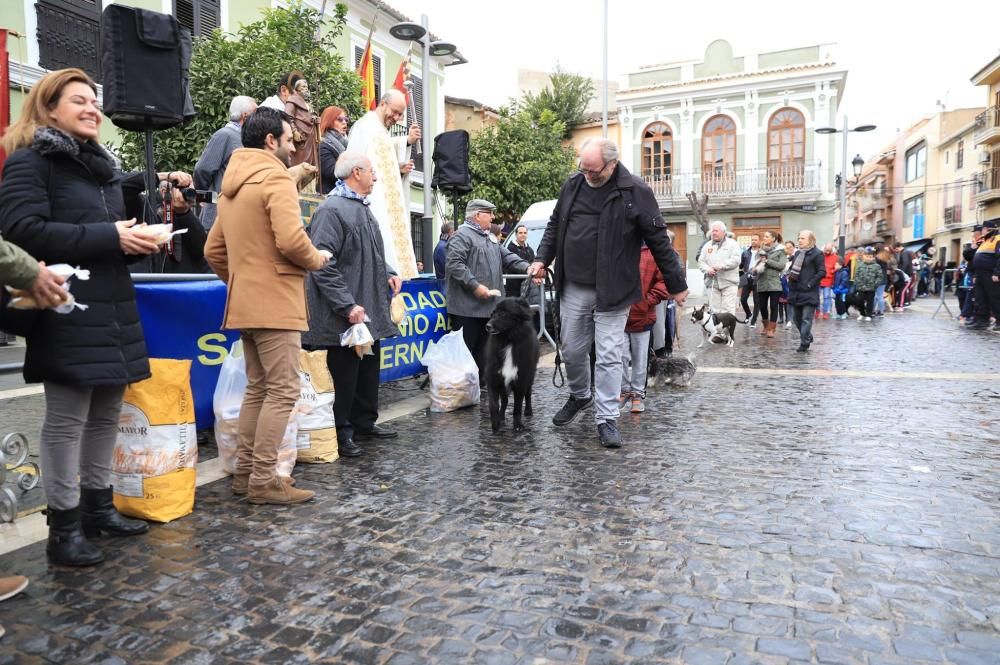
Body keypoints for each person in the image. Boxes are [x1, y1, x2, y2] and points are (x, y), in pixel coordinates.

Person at [0, 68, 162, 566]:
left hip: (112, 305)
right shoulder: (31, 162)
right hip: (64, 305)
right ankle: (63, 527)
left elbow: (104, 238)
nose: (92, 108)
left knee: (106, 414)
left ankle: (99, 507)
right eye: (78, 101)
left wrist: (135, 242)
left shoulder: (102, 170)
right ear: (49, 109)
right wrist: (111, 236)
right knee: (67, 420)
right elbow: (20, 230)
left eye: (95, 101)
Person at [204, 106, 330, 505]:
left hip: (245, 302)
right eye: (291, 141)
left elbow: (213, 250)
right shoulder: (274, 178)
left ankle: (245, 474)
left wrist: (242, 281)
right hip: (277, 301)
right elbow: (292, 241)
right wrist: (316, 259)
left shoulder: (232, 186)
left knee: (258, 389)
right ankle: (262, 480)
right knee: (282, 391)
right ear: (270, 141)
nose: (295, 149)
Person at [528, 138, 688, 449]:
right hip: (574, 285)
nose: (586, 175)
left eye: (592, 171)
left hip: (614, 290)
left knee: (610, 354)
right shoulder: (573, 185)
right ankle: (580, 395)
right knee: (572, 351)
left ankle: (607, 418)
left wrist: (677, 285)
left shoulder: (635, 192)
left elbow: (659, 241)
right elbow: (554, 225)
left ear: (611, 165)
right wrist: (540, 259)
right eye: (582, 169)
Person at [303, 151, 400, 458]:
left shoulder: (361, 208)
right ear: (356, 172)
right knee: (344, 376)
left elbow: (371, 255)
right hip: (343, 318)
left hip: (366, 311)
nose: (376, 176)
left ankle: (364, 423)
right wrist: (347, 306)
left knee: (367, 370)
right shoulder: (331, 210)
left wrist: (389, 273)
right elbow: (322, 264)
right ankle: (341, 431)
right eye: (372, 170)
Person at [446, 199, 532, 379]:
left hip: (488, 310)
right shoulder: (461, 236)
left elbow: (508, 257)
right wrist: (475, 285)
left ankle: (480, 391)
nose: (493, 217)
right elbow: (455, 265)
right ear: (477, 215)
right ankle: (460, 393)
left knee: (484, 356)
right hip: (467, 311)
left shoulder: (490, 237)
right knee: (464, 356)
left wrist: (528, 268)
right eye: (489, 213)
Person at [347, 89, 421, 280]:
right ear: (382, 104)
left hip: (389, 207)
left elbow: (382, 164)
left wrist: (405, 145)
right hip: (373, 204)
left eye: (400, 115)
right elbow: (352, 164)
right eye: (394, 112)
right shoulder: (364, 127)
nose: (396, 118)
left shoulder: (381, 131)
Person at [123, 170, 209, 274]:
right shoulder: (144, 206)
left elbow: (201, 250)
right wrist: (165, 176)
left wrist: (184, 214)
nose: (188, 196)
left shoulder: (187, 215)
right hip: (146, 281)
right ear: (164, 191)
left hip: (178, 284)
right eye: (182, 190)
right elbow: (122, 186)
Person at [193, 95, 256, 229]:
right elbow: (202, 169)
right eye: (255, 113)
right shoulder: (224, 135)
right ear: (245, 116)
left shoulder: (242, 137)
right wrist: (204, 197)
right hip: (217, 217)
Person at [620, 242, 667, 413]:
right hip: (618, 314)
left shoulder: (653, 251)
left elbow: (663, 281)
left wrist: (647, 301)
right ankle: (623, 390)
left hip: (643, 315)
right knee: (620, 356)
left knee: (640, 359)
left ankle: (637, 394)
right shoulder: (618, 246)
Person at [787, 230, 826, 352]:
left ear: (811, 240)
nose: (799, 240)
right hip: (796, 291)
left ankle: (804, 343)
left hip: (809, 291)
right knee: (796, 319)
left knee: (806, 319)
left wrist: (810, 284)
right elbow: (793, 269)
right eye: (799, 238)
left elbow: (822, 272)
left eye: (802, 238)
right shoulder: (798, 253)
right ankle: (808, 336)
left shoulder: (817, 254)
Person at [697, 220, 741, 315]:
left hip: (729, 282)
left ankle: (727, 330)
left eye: (716, 231)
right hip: (712, 282)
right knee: (714, 310)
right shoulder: (707, 246)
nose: (713, 233)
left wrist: (722, 266)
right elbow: (701, 262)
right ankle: (716, 330)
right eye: (712, 231)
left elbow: (736, 260)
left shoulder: (733, 244)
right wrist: (708, 270)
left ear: (723, 232)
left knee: (728, 310)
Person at [751, 230, 787, 337]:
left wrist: (767, 261)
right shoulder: (760, 250)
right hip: (761, 282)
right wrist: (755, 268)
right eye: (764, 237)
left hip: (774, 283)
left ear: (773, 239)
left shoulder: (781, 251)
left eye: (767, 237)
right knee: (762, 306)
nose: (764, 238)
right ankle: (765, 326)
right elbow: (755, 264)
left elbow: (781, 266)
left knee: (773, 306)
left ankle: (771, 329)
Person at [968, 218, 1000, 331]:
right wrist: (976, 275)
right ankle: (982, 321)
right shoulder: (984, 241)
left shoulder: (998, 239)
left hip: (991, 274)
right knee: (980, 298)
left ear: (990, 229)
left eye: (984, 230)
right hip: (980, 274)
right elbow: (976, 259)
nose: (982, 232)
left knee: (995, 298)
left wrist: (997, 273)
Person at [284, 73, 318, 170]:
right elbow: (287, 116)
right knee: (301, 159)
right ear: (297, 89)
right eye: (303, 87)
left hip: (310, 136)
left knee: (311, 160)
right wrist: (294, 131)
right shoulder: (292, 100)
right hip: (301, 136)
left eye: (307, 87)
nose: (306, 89)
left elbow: (309, 116)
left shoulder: (307, 103)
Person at [318, 106, 349, 195]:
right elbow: (334, 172)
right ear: (329, 121)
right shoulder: (323, 146)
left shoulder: (346, 142)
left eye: (346, 119)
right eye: (340, 119)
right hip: (329, 195)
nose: (344, 122)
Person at [853, 247, 885, 321]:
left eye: (870, 257)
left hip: (871, 288)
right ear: (864, 256)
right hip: (861, 287)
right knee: (860, 301)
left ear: (873, 257)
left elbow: (880, 277)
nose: (868, 258)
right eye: (867, 256)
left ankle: (869, 315)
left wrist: (875, 284)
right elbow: (856, 275)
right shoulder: (860, 265)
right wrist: (857, 282)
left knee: (870, 302)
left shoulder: (876, 266)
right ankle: (862, 313)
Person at [505, 224, 536, 298]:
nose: (523, 235)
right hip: (514, 286)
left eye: (525, 233)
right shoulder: (510, 249)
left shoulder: (530, 249)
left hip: (527, 285)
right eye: (520, 233)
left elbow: (533, 263)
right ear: (516, 234)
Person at [738, 233, 760, 326]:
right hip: (747, 278)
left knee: (756, 301)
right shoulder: (745, 253)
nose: (753, 241)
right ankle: (748, 314)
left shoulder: (762, 253)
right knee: (743, 299)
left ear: (759, 241)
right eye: (752, 239)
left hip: (757, 279)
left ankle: (753, 321)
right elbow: (740, 265)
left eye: (755, 240)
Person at [818, 243, 838, 320]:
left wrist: (832, 271)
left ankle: (825, 312)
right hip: (819, 279)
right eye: (826, 250)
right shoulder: (820, 255)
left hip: (828, 280)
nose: (827, 252)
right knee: (817, 296)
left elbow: (837, 267)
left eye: (829, 250)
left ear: (832, 249)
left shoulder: (835, 257)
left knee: (826, 297)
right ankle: (817, 311)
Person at [893, 242, 916, 308]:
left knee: (904, 289)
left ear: (899, 247)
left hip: (906, 273)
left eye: (896, 249)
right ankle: (906, 302)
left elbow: (905, 263)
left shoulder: (904, 253)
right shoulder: (907, 251)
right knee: (906, 289)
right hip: (908, 273)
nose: (896, 251)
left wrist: (901, 272)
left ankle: (906, 302)